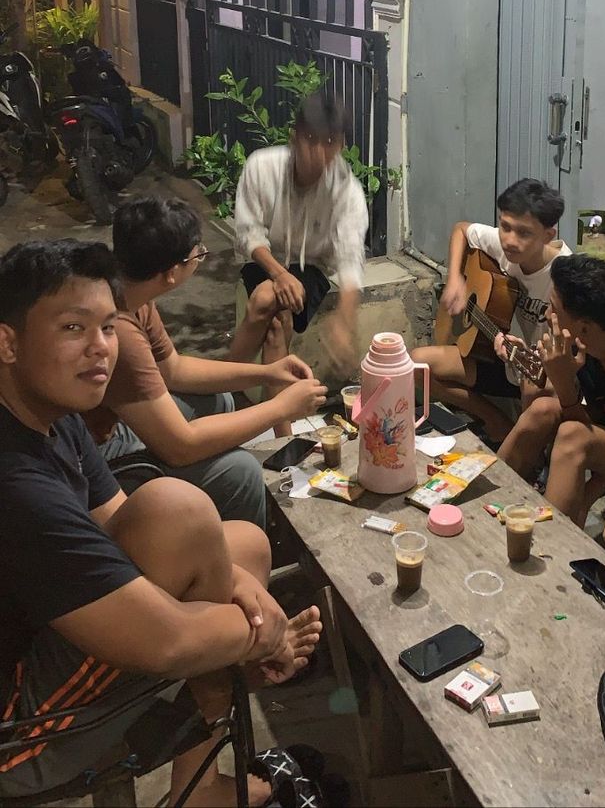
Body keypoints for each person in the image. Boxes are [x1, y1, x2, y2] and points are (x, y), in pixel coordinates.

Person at [0, 240, 322, 806]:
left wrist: (243, 593)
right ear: (8, 342)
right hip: (20, 730)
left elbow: (123, 517)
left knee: (238, 543)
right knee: (186, 511)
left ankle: (197, 788)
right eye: (73, 328)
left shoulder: (53, 412)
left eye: (106, 328)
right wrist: (263, 633)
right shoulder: (15, 484)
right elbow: (169, 642)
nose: (101, 349)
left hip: (49, 630)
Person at [90, 196, 327, 529]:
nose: (201, 257)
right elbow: (180, 447)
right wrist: (281, 408)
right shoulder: (119, 331)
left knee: (219, 399)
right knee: (240, 472)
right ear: (172, 272)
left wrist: (267, 372)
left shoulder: (131, 291)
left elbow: (174, 369)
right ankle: (242, 549)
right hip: (96, 460)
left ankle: (212, 517)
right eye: (197, 253)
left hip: (116, 422)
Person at [230, 92, 369, 434]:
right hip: (264, 259)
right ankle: (281, 432)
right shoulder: (262, 166)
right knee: (273, 310)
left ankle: (225, 388)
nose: (318, 152)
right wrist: (278, 274)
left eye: (329, 142)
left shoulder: (346, 191)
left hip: (312, 269)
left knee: (270, 305)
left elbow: (351, 262)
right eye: (310, 140)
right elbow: (249, 235)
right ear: (294, 136)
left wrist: (344, 321)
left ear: (341, 145)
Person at [498, 254, 605, 526]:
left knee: (573, 435)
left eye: (553, 308)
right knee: (542, 409)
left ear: (583, 327)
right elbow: (595, 416)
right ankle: (493, 494)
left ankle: (557, 539)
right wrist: (529, 363)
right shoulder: (577, 345)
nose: (547, 315)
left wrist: (586, 499)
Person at [412, 178, 570, 440]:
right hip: (502, 359)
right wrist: (455, 280)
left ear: (548, 235)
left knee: (538, 402)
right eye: (504, 226)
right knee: (416, 365)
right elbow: (461, 230)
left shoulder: (564, 277)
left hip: (539, 372)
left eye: (523, 233)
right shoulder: (503, 246)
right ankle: (495, 421)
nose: (509, 240)